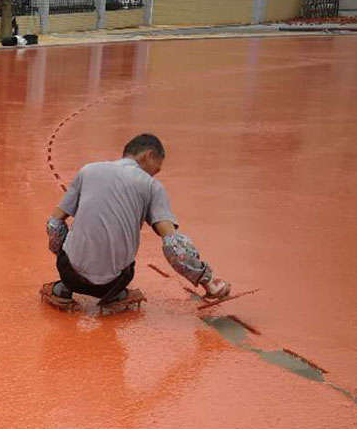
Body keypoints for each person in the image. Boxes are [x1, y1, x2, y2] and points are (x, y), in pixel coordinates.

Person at [40, 133, 230, 310]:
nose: (154, 174)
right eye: (156, 169)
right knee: (126, 269)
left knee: (66, 241)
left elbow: (54, 224)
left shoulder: (88, 171)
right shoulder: (151, 186)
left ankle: (63, 289)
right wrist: (208, 280)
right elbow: (174, 247)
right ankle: (116, 296)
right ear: (148, 155)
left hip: (69, 273)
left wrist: (63, 255)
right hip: (113, 283)